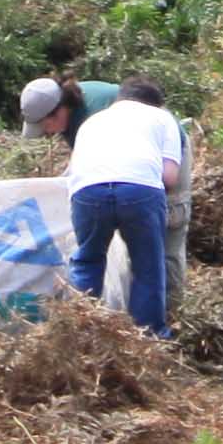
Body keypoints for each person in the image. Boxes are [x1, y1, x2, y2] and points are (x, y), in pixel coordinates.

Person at [61, 78, 184, 338]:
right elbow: (170, 177)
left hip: (87, 192)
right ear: (156, 104)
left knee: (88, 261)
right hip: (139, 190)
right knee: (147, 267)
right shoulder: (163, 118)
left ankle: (79, 333)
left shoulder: (91, 121)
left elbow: (73, 171)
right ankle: (148, 338)